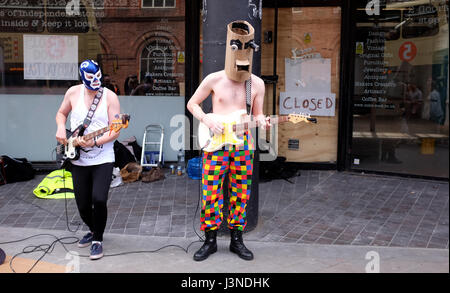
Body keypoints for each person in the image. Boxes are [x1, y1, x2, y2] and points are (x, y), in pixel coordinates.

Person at [187, 20, 269, 262]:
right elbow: (192, 103)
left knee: (241, 193)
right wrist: (207, 119)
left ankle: (237, 240)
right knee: (210, 191)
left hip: (243, 145)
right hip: (215, 145)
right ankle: (210, 240)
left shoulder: (257, 84)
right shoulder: (214, 79)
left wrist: (263, 121)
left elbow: (258, 113)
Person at [55, 60, 122, 260]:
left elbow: (115, 129)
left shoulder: (110, 97)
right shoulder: (73, 93)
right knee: (83, 205)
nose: (95, 85)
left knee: (99, 199)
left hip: (103, 157)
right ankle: (93, 229)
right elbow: (61, 113)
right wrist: (60, 127)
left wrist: (94, 142)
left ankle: (98, 240)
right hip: (78, 158)